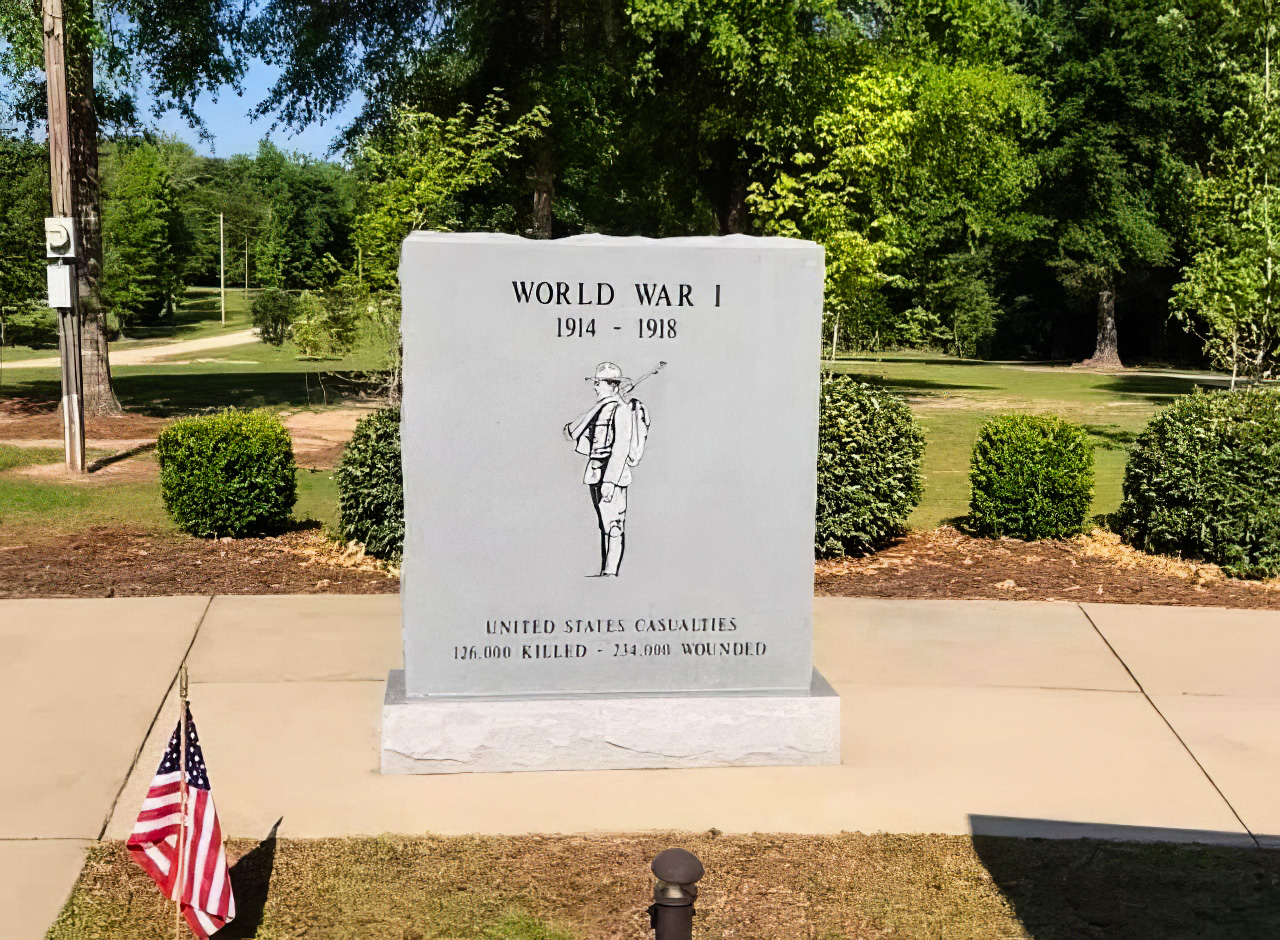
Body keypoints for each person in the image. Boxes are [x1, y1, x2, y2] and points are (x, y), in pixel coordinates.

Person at [563, 362, 649, 576]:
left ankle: (610, 573)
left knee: (614, 525)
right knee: (604, 525)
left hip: (613, 475)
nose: (595, 387)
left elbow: (620, 447)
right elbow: (570, 432)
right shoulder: (602, 407)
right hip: (594, 472)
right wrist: (602, 404)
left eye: (598, 383)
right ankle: (606, 570)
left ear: (611, 385)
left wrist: (610, 481)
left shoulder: (621, 409)